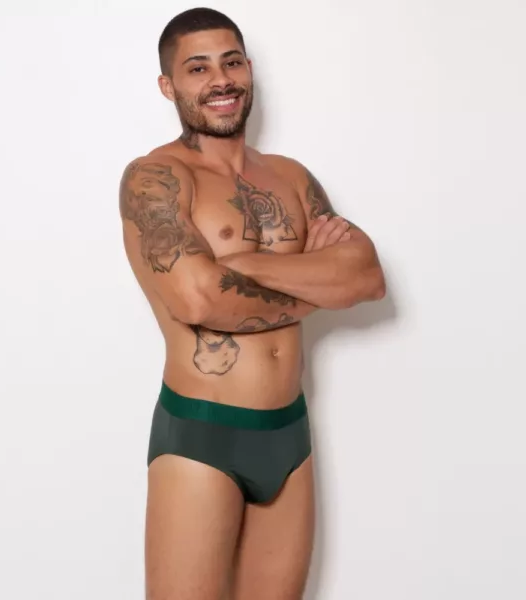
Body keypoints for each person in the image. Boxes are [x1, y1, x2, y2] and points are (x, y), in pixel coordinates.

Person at [119, 7, 386, 599]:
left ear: (249, 69)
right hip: (202, 433)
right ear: (168, 86)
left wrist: (242, 265)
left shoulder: (291, 176)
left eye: (232, 62)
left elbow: (366, 277)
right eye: (198, 68)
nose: (221, 80)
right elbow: (197, 299)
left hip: (290, 432)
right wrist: (315, 283)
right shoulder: (154, 178)